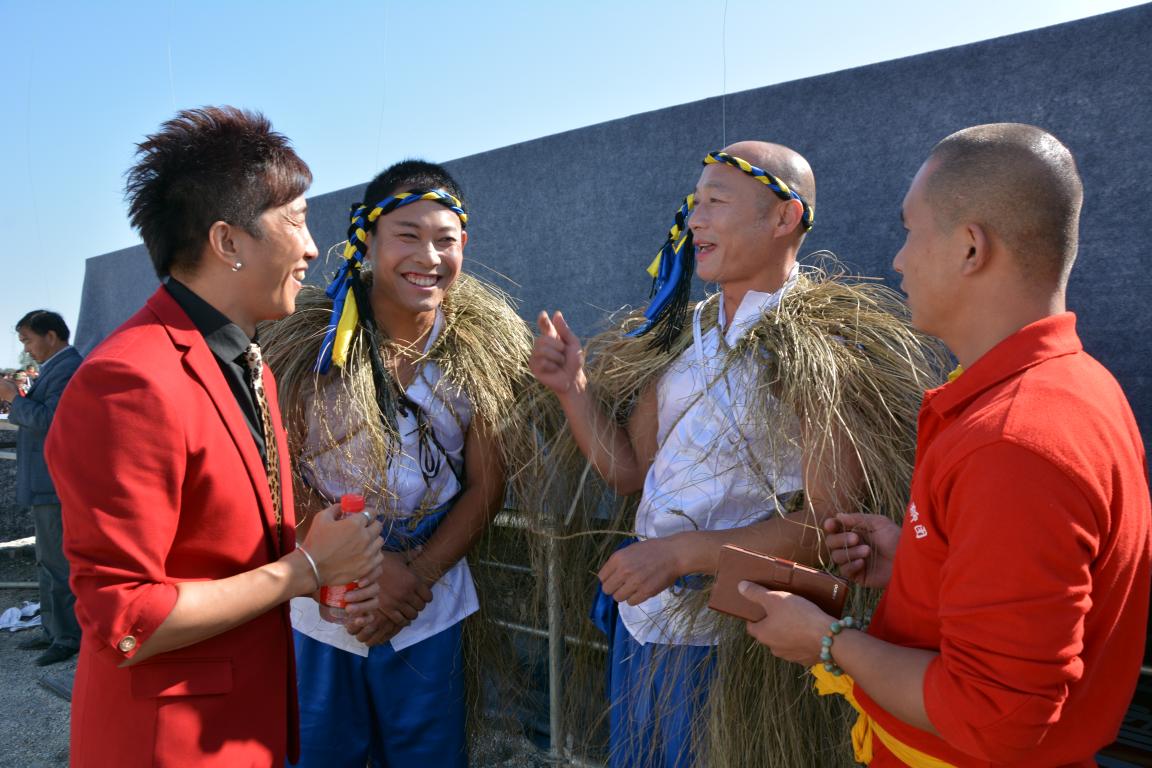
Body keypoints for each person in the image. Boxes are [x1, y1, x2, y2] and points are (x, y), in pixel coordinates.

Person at [741, 123, 1152, 767]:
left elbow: (995, 718)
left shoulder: (1014, 443)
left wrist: (828, 642)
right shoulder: (1074, 387)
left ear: (969, 248)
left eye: (910, 229)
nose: (898, 258)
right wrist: (920, 561)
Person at [530, 141, 940, 767]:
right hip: (645, 624)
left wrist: (681, 553)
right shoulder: (678, 334)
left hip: (739, 641)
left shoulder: (823, 348)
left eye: (716, 202)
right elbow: (628, 475)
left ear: (784, 218)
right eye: (696, 204)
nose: (695, 219)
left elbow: (833, 528)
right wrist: (573, 391)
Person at [44, 106, 385, 768]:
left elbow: (221, 551)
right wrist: (306, 570)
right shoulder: (129, 380)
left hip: (245, 728)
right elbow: (126, 621)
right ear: (228, 242)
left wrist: (323, 572)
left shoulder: (242, 360)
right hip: (169, 746)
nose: (314, 248)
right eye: (296, 221)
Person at [263, 159, 532, 767]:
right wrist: (360, 569)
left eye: (445, 240)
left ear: (465, 246)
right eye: (407, 236)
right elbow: (280, 476)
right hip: (323, 606)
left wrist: (414, 573)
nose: (428, 257)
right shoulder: (308, 353)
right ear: (366, 241)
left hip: (429, 603)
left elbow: (488, 486)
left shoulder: (478, 360)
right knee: (319, 753)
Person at [0, 310, 83, 665]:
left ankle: (67, 637)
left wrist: (14, 399)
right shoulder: (55, 367)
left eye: (28, 340)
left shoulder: (68, 367)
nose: (27, 349)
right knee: (46, 561)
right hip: (45, 481)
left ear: (51, 336)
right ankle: (53, 630)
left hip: (55, 482)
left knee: (57, 563)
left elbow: (52, 420)